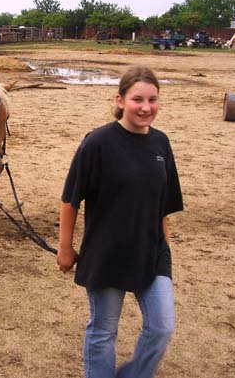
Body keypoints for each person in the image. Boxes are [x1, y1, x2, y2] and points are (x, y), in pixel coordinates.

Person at [57, 66, 183, 378]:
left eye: (153, 100)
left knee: (162, 328)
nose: (146, 107)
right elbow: (70, 199)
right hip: (107, 252)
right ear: (120, 100)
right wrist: (65, 248)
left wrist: (165, 246)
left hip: (152, 253)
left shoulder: (161, 144)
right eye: (137, 99)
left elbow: (163, 203)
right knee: (103, 331)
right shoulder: (97, 143)